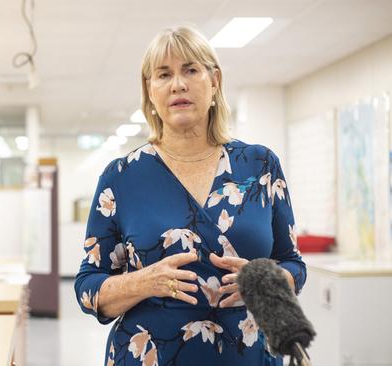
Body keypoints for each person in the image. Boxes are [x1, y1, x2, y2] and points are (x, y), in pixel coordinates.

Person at [74, 26, 306, 366]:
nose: (178, 84)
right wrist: (143, 281)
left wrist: (264, 282)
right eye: (163, 74)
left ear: (214, 82)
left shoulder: (260, 165)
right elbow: (87, 287)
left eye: (191, 70)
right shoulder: (122, 177)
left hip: (248, 355)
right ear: (149, 92)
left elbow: (293, 265)